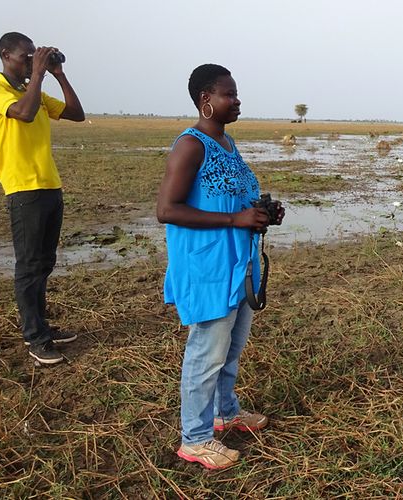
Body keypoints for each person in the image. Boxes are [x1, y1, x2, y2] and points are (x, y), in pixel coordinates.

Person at [157, 64, 284, 470]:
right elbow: (166, 210)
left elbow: (233, 200)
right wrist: (235, 221)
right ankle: (194, 439)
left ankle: (226, 412)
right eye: (229, 94)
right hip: (207, 266)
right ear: (205, 100)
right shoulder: (190, 145)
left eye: (236, 93)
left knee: (231, 348)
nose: (237, 100)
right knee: (205, 353)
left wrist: (263, 213)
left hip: (239, 264)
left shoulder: (228, 143)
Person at [0, 32, 85, 365]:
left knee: (44, 263)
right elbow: (23, 114)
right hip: (22, 189)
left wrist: (58, 73)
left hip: (49, 186)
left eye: (33, 56)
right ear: (5, 54)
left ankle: (42, 326)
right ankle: (35, 338)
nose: (30, 61)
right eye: (26, 56)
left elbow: (75, 113)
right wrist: (38, 74)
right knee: (28, 267)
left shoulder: (35, 91)